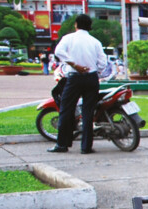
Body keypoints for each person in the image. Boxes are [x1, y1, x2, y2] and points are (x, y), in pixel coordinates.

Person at [48, 14, 107, 154]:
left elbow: (58, 52)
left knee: (66, 110)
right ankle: (86, 147)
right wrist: (93, 70)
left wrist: (74, 65)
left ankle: (62, 144)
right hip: (91, 78)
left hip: (74, 78)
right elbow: (103, 63)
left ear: (76, 25)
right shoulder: (95, 42)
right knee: (88, 113)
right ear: (90, 26)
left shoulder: (69, 38)